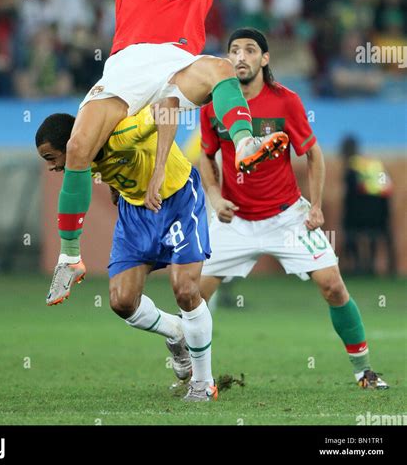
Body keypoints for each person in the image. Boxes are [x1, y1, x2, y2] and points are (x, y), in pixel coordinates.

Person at [5, 0, 314, 319]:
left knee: (221, 68)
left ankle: (247, 142)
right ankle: (70, 256)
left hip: (176, 65)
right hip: (127, 65)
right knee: (81, 145)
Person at [198, 28, 389, 390]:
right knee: (191, 295)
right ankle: (192, 375)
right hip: (233, 218)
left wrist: (315, 206)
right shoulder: (213, 105)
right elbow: (206, 156)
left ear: (264, 59)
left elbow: (313, 154)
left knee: (333, 286)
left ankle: (363, 371)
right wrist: (214, 195)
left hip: (287, 217)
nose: (240, 57)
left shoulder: (286, 101)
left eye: (250, 50)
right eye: (234, 50)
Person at [35, 104, 217, 401]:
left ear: (73, 143)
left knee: (185, 290)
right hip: (135, 213)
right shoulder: (84, 161)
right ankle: (176, 333)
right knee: (122, 302)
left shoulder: (122, 132)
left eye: (51, 158)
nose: (51, 167)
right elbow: (110, 168)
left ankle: (203, 383)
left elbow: (168, 110)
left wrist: (158, 171)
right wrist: (115, 185)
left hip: (178, 201)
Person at [340, 136, 396, 276]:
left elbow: (350, 196)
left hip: (360, 214)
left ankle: (358, 265)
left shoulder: (352, 167)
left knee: (349, 229)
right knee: (375, 234)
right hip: (380, 213)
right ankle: (371, 265)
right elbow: (387, 187)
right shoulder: (373, 163)